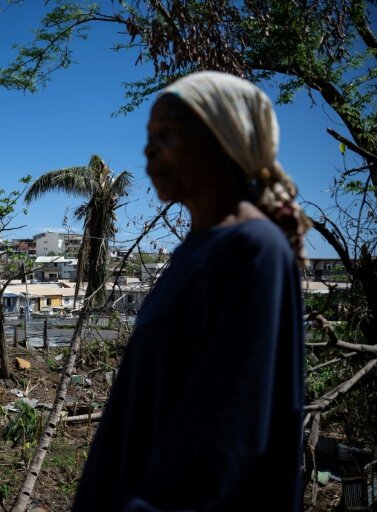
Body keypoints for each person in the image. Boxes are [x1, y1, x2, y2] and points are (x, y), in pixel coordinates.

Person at [72, 71, 311, 511]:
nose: (148, 149)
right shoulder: (194, 252)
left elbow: (228, 435)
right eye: (148, 136)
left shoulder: (252, 250)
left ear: (223, 141)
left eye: (167, 134)